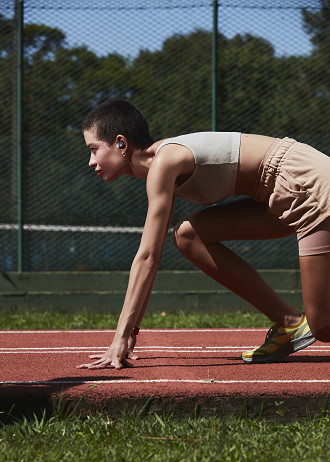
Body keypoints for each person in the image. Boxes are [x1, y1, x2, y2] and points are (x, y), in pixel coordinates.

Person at [78, 99, 330, 370]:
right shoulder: (162, 167)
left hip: (304, 182)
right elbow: (154, 254)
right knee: (188, 234)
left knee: (324, 327)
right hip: (276, 196)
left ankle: (299, 324)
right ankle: (288, 323)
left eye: (94, 149)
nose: (91, 161)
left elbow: (148, 255)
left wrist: (120, 337)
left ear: (121, 143)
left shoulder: (164, 161)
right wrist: (131, 332)